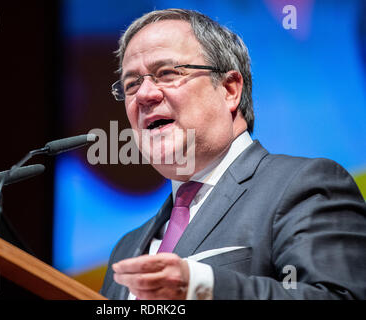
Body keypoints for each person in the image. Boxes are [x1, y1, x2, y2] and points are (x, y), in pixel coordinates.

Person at [100, 8, 366, 300]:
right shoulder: (125, 249)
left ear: (229, 89)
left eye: (167, 73)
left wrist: (200, 285)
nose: (144, 95)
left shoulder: (305, 187)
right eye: (131, 84)